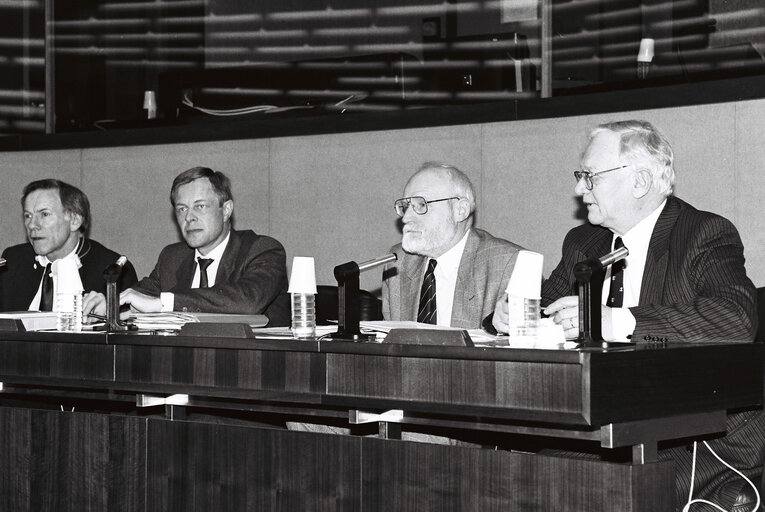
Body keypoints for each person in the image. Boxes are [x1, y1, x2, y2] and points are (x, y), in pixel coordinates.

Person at [492, 120, 763, 510]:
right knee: (519, 480)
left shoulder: (703, 233)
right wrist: (505, 315)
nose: (578, 189)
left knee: (585, 491)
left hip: (697, 442)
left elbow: (734, 319)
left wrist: (618, 322)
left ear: (639, 181)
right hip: (609, 431)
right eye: (580, 175)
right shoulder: (584, 243)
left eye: (590, 176)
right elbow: (541, 303)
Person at [84, 166, 289, 326]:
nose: (189, 217)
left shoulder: (262, 249)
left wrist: (164, 303)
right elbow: (140, 296)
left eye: (200, 206)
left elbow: (248, 302)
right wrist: (109, 304)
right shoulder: (173, 257)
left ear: (226, 210)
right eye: (182, 209)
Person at [382, 162, 524, 329]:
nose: (406, 218)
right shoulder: (398, 262)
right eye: (405, 207)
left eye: (421, 205)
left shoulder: (510, 264)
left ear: (460, 210)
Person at [0, 179, 137, 312]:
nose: (32, 225)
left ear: (75, 221)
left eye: (44, 214)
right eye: (28, 216)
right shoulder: (12, 261)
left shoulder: (113, 270)